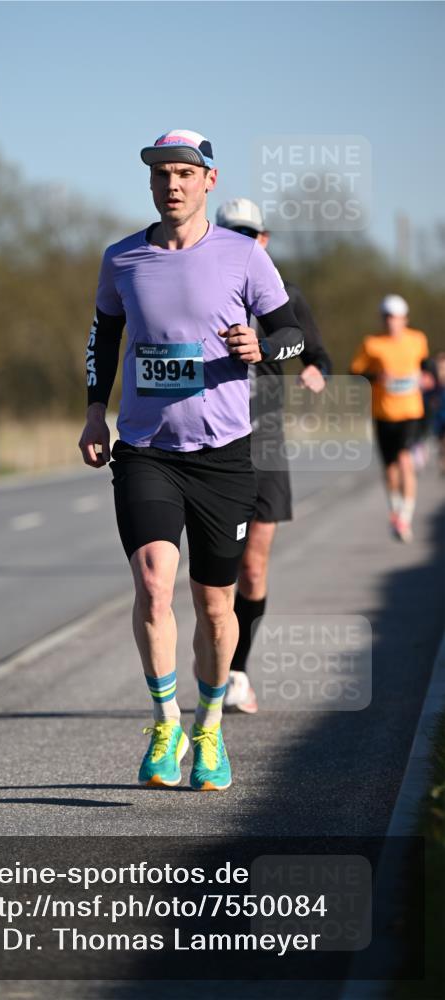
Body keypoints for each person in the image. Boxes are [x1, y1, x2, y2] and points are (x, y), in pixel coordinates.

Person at [78, 130, 304, 791]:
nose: (170, 184)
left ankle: (207, 728)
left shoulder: (241, 257)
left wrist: (262, 346)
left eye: (183, 173)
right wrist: (95, 409)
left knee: (213, 605)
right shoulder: (121, 259)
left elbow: (290, 336)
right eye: (159, 174)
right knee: (152, 584)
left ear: (209, 180)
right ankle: (162, 721)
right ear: (149, 184)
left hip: (225, 455)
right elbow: (103, 336)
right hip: (147, 450)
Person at [215, 198, 332, 714]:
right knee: (217, 572)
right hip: (216, 440)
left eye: (251, 233)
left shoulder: (285, 295)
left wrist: (315, 370)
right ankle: (213, 672)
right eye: (233, 232)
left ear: (264, 238)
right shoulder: (206, 288)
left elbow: (316, 351)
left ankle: (237, 670)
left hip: (264, 443)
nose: (244, 240)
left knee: (254, 569)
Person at [350, 295, 431, 543]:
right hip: (384, 413)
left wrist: (428, 378)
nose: (391, 323)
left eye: (395, 318)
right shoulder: (372, 344)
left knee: (405, 460)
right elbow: (354, 373)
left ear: (404, 319)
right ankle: (396, 511)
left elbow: (426, 367)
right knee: (390, 468)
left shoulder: (418, 340)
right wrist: (376, 377)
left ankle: (405, 515)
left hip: (411, 411)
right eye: (387, 317)